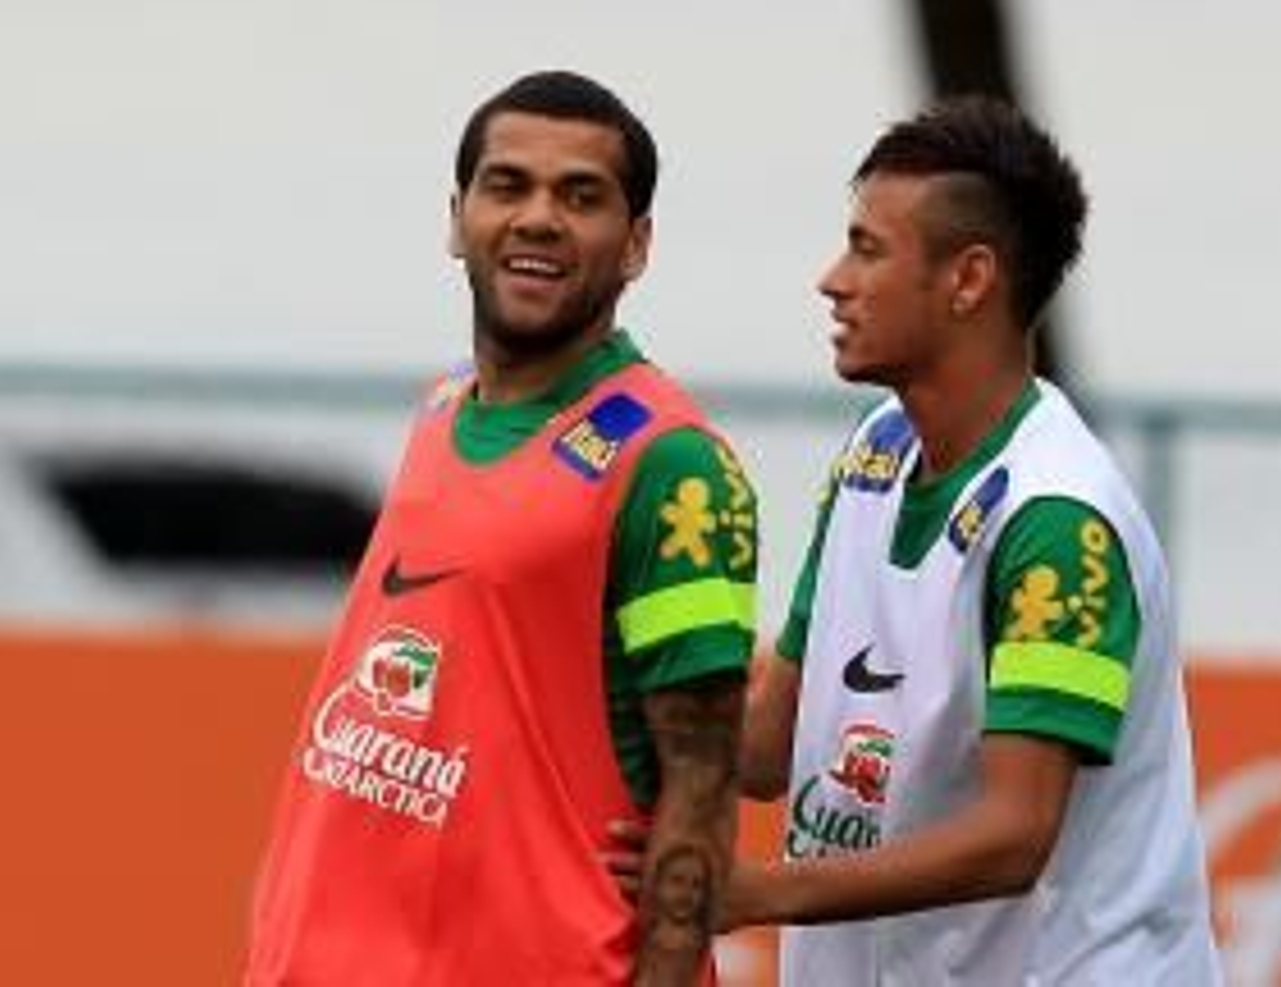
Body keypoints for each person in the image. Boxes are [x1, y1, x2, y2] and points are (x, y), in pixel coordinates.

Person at [245, 70, 756, 986]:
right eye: (508, 185)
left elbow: (705, 782)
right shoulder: (441, 408)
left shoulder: (672, 464)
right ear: (457, 217)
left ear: (636, 244)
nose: (538, 218)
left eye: (582, 196)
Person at [729, 95, 1221, 983]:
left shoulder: (1057, 522)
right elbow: (767, 745)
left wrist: (754, 890)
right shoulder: (874, 450)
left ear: (969, 280)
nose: (832, 278)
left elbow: (1013, 834)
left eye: (867, 248)